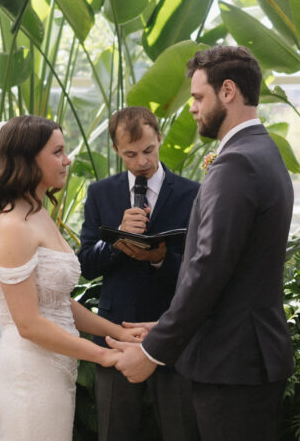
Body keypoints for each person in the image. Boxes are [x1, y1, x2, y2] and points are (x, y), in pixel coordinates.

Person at [107, 46, 294, 440]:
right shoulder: (263, 150)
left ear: (228, 91)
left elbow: (210, 266)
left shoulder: (238, 162)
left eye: (197, 97)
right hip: (244, 356)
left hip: (233, 363)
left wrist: (153, 350)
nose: (192, 108)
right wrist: (163, 325)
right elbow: (238, 272)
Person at [0, 115, 146, 441]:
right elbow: (29, 323)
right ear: (27, 159)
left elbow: (57, 304)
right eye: (57, 152)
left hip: (54, 370)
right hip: (28, 375)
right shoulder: (12, 225)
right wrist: (104, 355)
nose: (67, 160)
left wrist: (118, 333)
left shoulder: (37, 214)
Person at [78, 107, 200, 441]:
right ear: (117, 151)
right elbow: (85, 265)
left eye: (148, 150)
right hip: (116, 331)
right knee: (115, 432)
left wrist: (161, 259)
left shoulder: (194, 193)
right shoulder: (100, 193)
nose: (142, 161)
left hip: (172, 331)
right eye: (130, 154)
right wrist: (116, 238)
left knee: (181, 432)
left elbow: (200, 271)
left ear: (159, 138)